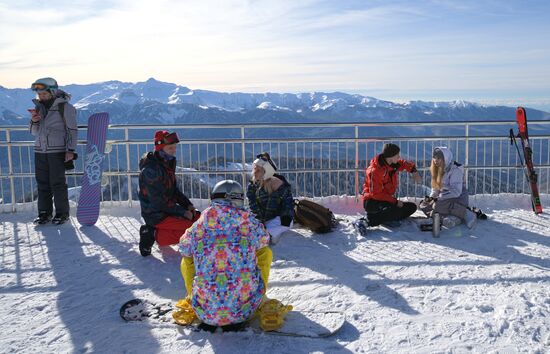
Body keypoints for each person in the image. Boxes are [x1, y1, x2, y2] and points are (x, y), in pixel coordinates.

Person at [174, 180, 291, 331]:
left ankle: (194, 297)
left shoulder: (199, 225)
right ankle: (258, 297)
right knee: (265, 253)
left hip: (205, 313)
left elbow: (183, 247)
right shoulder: (249, 222)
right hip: (246, 310)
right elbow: (264, 240)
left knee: (187, 258)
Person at [138, 130, 200, 256]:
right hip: (155, 214)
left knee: (198, 218)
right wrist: (182, 212)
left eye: (174, 147)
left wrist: (187, 205)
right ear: (160, 148)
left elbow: (174, 190)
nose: (174, 150)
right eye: (170, 148)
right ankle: (153, 233)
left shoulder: (167, 163)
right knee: (194, 230)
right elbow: (158, 202)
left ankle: (161, 231)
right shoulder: (151, 171)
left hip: (167, 209)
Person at [29, 77, 78, 225]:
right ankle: (44, 213)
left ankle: (62, 214)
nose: (41, 96)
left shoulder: (64, 107)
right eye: (39, 94)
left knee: (57, 183)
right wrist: (35, 121)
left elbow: (72, 130)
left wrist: (70, 150)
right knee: (42, 183)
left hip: (57, 151)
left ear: (52, 92)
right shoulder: (39, 107)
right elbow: (33, 132)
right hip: (40, 150)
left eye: (44, 94)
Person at [361, 143, 423, 227]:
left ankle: (385, 217)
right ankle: (368, 221)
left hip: (386, 200)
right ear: (391, 156)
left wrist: (414, 171)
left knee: (411, 207)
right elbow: (376, 194)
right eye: (397, 155)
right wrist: (395, 201)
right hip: (372, 202)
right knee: (392, 210)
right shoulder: (375, 171)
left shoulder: (392, 164)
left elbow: (404, 163)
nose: (399, 157)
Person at [419, 147, 477, 229]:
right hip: (444, 199)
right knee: (423, 204)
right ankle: (445, 218)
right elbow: (435, 189)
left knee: (437, 205)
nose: (435, 160)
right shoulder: (437, 169)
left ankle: (465, 213)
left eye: (439, 158)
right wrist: (431, 198)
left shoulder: (455, 170)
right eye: (434, 157)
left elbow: (456, 192)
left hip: (458, 199)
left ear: (445, 158)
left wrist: (440, 198)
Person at [246, 152, 294, 244]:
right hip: (263, 219)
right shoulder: (252, 185)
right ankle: (267, 235)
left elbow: (287, 204)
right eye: (254, 169)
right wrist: (259, 221)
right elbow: (253, 205)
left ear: (266, 171)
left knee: (279, 225)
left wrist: (286, 217)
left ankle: (269, 236)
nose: (255, 172)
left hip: (278, 218)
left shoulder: (280, 184)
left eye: (258, 170)